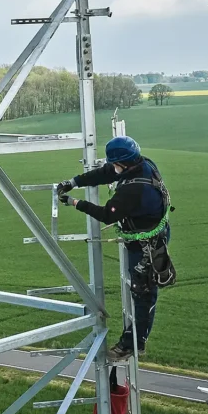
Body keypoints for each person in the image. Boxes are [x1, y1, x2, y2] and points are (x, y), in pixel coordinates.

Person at [58, 136, 172, 360]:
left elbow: (106, 214)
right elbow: (107, 173)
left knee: (143, 293)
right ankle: (133, 339)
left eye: (116, 164)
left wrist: (75, 203)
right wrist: (74, 181)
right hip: (149, 234)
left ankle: (133, 344)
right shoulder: (142, 164)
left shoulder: (134, 189)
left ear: (125, 163)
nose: (113, 167)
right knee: (140, 290)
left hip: (146, 245)